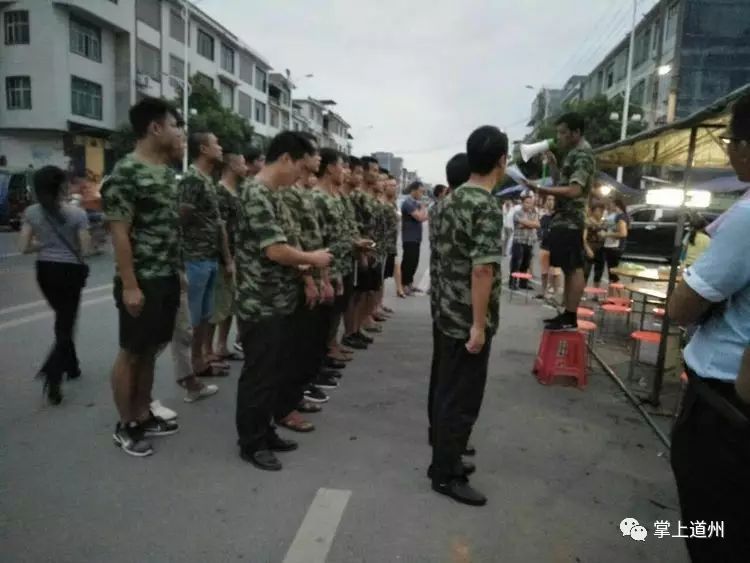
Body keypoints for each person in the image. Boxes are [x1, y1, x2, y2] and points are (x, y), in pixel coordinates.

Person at [667, 93, 750, 563]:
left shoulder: (747, 218)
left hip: (725, 408)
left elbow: (682, 307)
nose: (730, 150)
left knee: (717, 534)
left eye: (731, 141)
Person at [234, 131, 332, 471]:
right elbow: (275, 250)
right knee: (259, 375)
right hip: (260, 301)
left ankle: (265, 431)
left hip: (280, 299)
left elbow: (288, 243)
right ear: (286, 159)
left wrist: (305, 270)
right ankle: (251, 443)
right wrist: (313, 259)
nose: (302, 176)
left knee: (275, 371)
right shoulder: (256, 193)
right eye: (301, 167)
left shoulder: (275, 193)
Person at [102, 97, 184, 457]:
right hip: (142, 279)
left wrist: (177, 271)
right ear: (155, 128)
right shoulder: (126, 172)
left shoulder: (165, 172)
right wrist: (131, 285)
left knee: (150, 350)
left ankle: (143, 413)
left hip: (165, 275)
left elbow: (167, 227)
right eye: (174, 125)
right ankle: (126, 425)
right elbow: (119, 233)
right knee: (132, 352)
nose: (178, 132)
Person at [431, 126, 507, 506]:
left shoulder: (448, 201)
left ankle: (444, 459)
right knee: (461, 399)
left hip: (445, 311)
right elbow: (482, 269)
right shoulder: (485, 205)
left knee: (445, 390)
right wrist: (478, 325)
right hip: (466, 319)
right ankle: (447, 474)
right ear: (501, 162)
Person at [18, 166, 91, 405]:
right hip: (69, 271)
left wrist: (44, 245)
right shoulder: (77, 214)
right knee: (66, 323)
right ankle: (53, 372)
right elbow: (85, 249)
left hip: (44, 271)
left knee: (63, 319)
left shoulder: (31, 212)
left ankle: (72, 366)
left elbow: (23, 247)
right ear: (62, 186)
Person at [525, 112, 596, 330]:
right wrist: (554, 165)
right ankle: (567, 313)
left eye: (563, 132)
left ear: (576, 132)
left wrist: (541, 189)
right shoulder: (573, 154)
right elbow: (562, 183)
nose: (559, 137)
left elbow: (574, 190)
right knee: (567, 266)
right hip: (564, 217)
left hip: (571, 219)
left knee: (573, 267)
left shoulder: (582, 155)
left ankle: (570, 315)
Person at [178, 133, 231, 378]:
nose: (220, 148)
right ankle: (191, 366)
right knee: (194, 317)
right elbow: (181, 218)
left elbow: (217, 223)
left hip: (209, 256)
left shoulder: (207, 179)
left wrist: (226, 258)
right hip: (195, 256)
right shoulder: (192, 179)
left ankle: (200, 361)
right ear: (203, 149)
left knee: (205, 315)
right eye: (216, 144)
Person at [427, 152, 470, 452]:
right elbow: (480, 269)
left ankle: (439, 430)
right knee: (457, 380)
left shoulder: (439, 206)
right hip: (459, 306)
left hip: (441, 301)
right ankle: (448, 439)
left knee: (442, 372)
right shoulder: (465, 206)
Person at [210, 152, 245, 362]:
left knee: (231, 304)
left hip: (236, 254)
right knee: (219, 304)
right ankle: (210, 349)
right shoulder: (221, 192)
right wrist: (227, 258)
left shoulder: (236, 191)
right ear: (231, 166)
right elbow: (220, 228)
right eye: (242, 163)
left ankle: (222, 345)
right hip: (224, 257)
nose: (245, 167)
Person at [400, 181, 428, 294]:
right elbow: (420, 217)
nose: (422, 194)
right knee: (408, 261)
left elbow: (424, 217)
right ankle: (403, 284)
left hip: (416, 237)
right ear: (414, 190)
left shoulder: (415, 203)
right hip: (409, 237)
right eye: (421, 191)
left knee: (414, 262)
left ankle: (410, 284)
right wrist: (423, 207)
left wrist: (423, 210)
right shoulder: (408, 203)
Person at [509, 194, 540, 289]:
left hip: (529, 241)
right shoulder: (517, 213)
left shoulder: (533, 214)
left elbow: (537, 225)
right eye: (527, 202)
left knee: (526, 264)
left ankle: (523, 283)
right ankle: (512, 282)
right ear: (522, 203)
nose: (529, 204)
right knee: (516, 263)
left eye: (530, 203)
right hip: (519, 240)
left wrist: (526, 224)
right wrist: (531, 224)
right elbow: (523, 223)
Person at [535, 195, 561, 301]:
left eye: (552, 200)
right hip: (544, 247)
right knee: (544, 272)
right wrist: (543, 233)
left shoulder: (559, 217)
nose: (550, 202)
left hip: (556, 248)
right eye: (548, 200)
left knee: (556, 273)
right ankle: (543, 292)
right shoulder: (544, 217)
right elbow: (539, 231)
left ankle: (556, 294)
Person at [601, 197, 629, 283]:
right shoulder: (617, 216)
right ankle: (613, 290)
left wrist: (606, 234)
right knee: (612, 272)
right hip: (612, 246)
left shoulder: (621, 217)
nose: (610, 206)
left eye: (611, 204)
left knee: (613, 273)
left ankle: (616, 290)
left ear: (616, 205)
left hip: (615, 246)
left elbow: (623, 233)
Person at [582, 202, 606, 287]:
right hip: (590, 247)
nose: (600, 213)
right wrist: (587, 249)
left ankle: (596, 291)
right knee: (585, 272)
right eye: (598, 210)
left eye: (601, 211)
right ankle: (582, 291)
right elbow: (583, 238)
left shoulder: (603, 222)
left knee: (599, 272)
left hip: (601, 248)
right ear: (593, 211)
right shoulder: (587, 222)